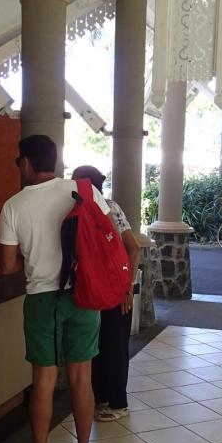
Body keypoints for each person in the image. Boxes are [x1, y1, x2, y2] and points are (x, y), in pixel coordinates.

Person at [0, 135, 108, 443]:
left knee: (44, 381)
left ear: (27, 162)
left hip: (41, 299)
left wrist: (33, 257)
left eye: (19, 161)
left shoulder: (13, 206)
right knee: (81, 377)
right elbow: (106, 237)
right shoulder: (83, 190)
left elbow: (7, 265)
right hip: (83, 294)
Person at [71, 165, 141, 422]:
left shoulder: (109, 208)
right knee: (98, 347)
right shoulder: (81, 209)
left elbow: (133, 248)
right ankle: (100, 397)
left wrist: (127, 289)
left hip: (114, 290)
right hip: (94, 290)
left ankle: (118, 403)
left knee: (114, 348)